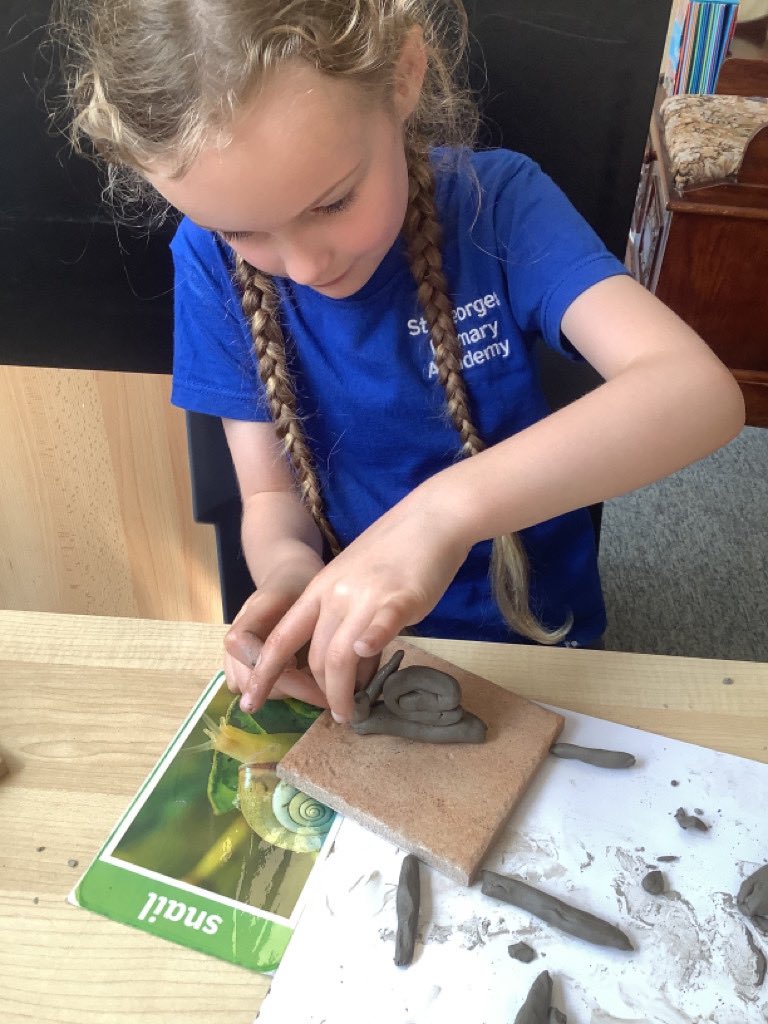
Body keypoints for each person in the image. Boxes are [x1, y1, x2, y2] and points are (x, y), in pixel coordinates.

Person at [55, 0, 744, 724]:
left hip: (537, 653)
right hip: (369, 663)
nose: (306, 263)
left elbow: (696, 393)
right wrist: (294, 583)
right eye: (242, 230)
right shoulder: (206, 264)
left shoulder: (501, 204)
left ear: (404, 74)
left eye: (333, 202)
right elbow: (268, 499)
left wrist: (440, 515)